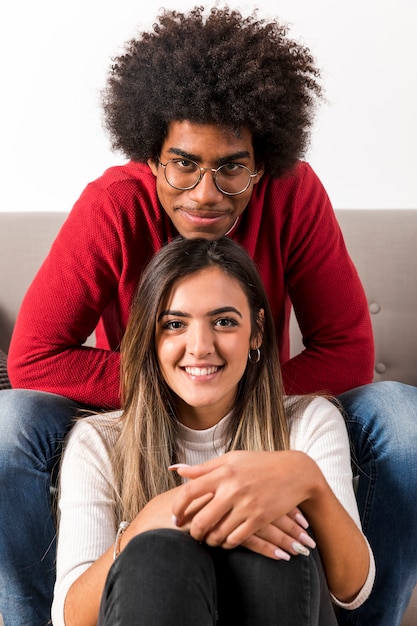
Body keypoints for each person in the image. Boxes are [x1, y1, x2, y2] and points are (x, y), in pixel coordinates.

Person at [0, 5, 416, 625]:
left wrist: (239, 400)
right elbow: (32, 358)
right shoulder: (113, 206)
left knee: (402, 417)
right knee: (11, 419)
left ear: (263, 162)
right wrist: (177, 393)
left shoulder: (294, 194)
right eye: (184, 163)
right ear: (151, 155)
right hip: (138, 407)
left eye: (232, 168)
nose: (205, 193)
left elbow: (348, 351)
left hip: (262, 405)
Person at [51, 236, 375, 626]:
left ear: (256, 331)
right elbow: (69, 617)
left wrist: (308, 481)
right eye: (174, 324)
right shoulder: (98, 440)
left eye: (223, 322)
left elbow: (353, 591)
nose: (200, 346)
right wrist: (150, 521)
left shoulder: (310, 420)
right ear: (150, 339)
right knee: (156, 553)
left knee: (270, 540)